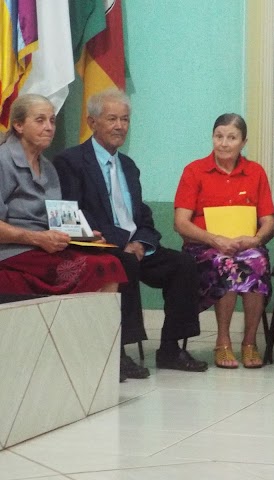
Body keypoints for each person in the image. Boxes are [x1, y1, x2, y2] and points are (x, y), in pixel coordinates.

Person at [53, 88, 208, 381]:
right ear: (91, 122)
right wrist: (122, 243)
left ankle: (170, 348)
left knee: (183, 265)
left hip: (134, 246)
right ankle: (118, 352)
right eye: (112, 119)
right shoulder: (70, 162)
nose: (120, 126)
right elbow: (74, 213)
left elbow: (142, 216)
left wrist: (141, 242)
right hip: (99, 246)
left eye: (125, 119)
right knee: (124, 264)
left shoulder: (128, 166)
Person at [0, 94, 127, 299]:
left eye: (52, 120)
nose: (49, 127)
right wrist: (36, 238)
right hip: (13, 250)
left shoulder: (48, 167)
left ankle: (94, 331)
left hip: (44, 248)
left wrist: (84, 236)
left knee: (109, 261)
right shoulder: (3, 160)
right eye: (40, 120)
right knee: (97, 268)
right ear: (18, 125)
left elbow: (59, 219)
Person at [174, 113, 274, 369]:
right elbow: (181, 223)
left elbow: (268, 221)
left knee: (257, 261)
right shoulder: (194, 171)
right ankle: (223, 341)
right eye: (219, 136)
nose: (224, 143)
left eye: (232, 137)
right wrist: (213, 239)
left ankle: (250, 342)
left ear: (243, 142)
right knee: (226, 263)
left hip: (245, 245)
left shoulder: (255, 172)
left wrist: (255, 240)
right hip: (204, 248)